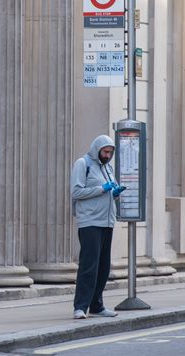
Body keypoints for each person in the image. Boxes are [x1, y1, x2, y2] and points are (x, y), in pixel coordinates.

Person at [70, 134, 126, 319]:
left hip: (107, 222)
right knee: (89, 265)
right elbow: (76, 191)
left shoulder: (108, 168)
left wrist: (115, 193)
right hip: (90, 222)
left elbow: (111, 194)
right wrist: (102, 188)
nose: (108, 155)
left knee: (103, 266)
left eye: (110, 153)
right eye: (105, 152)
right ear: (97, 149)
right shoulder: (83, 164)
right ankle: (80, 307)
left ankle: (97, 305)